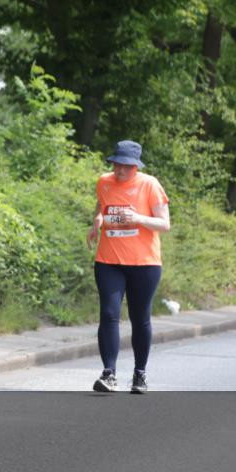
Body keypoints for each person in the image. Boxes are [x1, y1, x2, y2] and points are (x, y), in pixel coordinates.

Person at [85, 140, 170, 394]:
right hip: (109, 261)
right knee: (109, 313)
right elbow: (102, 206)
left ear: (136, 166)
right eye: (116, 165)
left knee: (139, 317)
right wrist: (97, 222)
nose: (119, 170)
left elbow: (164, 224)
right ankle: (109, 373)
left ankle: (139, 374)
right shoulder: (104, 181)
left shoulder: (149, 184)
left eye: (125, 166)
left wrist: (138, 219)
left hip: (144, 263)